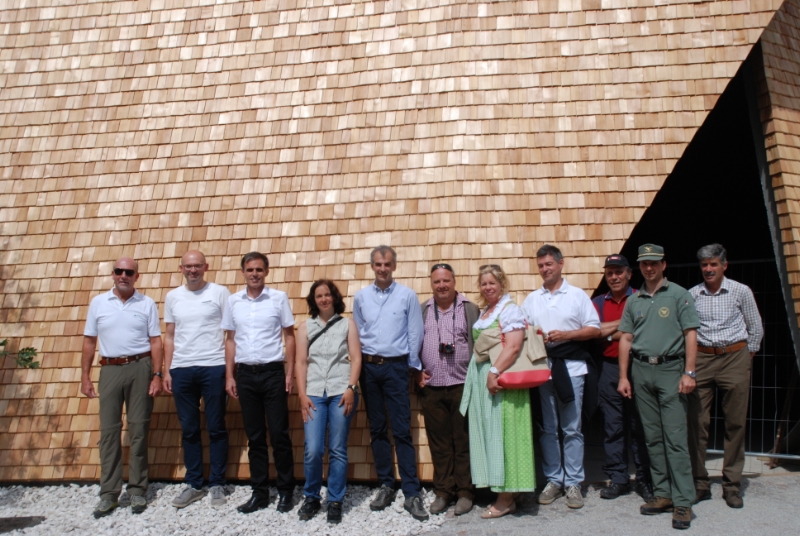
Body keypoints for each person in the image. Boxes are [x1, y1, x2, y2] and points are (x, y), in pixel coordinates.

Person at [617, 244, 700, 530]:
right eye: (644, 263)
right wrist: (624, 376)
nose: (649, 268)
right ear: (639, 267)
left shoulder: (678, 294)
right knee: (652, 437)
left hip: (670, 370)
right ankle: (663, 493)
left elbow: (690, 334)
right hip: (641, 370)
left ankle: (683, 500)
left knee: (675, 438)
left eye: (654, 263)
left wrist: (689, 372)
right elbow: (626, 339)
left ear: (663, 264)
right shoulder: (634, 300)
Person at [80, 257, 163, 518]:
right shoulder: (99, 303)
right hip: (110, 369)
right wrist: (85, 376)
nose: (123, 276)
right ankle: (109, 493)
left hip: (140, 367)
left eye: (129, 272)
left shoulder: (146, 303)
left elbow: (156, 341)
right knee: (109, 432)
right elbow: (89, 341)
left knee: (138, 430)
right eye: (119, 271)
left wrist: (157, 375)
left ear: (137, 276)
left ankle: (137, 490)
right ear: (113, 274)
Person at [521, 244, 601, 510]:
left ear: (560, 264)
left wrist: (566, 335)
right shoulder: (532, 299)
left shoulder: (577, 296)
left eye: (549, 264)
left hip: (572, 369)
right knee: (548, 428)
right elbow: (522, 329)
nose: (545, 269)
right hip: (543, 369)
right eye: (541, 266)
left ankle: (574, 482)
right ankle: (554, 479)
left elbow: (594, 329)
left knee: (572, 428)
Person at [353, 245, 428, 521]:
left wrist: (412, 368)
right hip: (369, 368)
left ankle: (411, 491)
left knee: (402, 430)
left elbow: (415, 332)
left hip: (396, 368)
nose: (382, 269)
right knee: (377, 428)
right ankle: (386, 484)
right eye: (378, 264)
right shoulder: (361, 297)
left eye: (387, 264)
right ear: (372, 266)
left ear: (394, 266)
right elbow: (357, 333)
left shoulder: (406, 295)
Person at [688, 244, 763, 509]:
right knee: (697, 423)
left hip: (734, 356)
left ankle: (732, 485)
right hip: (703, 357)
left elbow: (756, 327)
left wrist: (745, 356)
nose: (708, 269)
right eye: (704, 265)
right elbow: (688, 330)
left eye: (713, 264)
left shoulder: (741, 291)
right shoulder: (692, 294)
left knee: (735, 423)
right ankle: (699, 483)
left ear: (724, 266)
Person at [221, 252, 296, 514]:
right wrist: (229, 375)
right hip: (245, 375)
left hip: (273, 373)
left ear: (266, 272)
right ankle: (260, 493)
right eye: (250, 269)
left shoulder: (278, 298)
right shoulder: (233, 301)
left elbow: (289, 336)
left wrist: (289, 373)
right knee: (254, 437)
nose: (255, 274)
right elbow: (230, 340)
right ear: (243, 272)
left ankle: (286, 491)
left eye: (259, 269)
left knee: (279, 434)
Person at [459, 264, 536, 519]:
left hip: (503, 380)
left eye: (492, 282)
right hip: (487, 378)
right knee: (493, 435)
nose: (487, 287)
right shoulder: (487, 311)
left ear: (502, 284)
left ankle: (506, 498)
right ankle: (508, 492)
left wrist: (493, 373)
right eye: (484, 283)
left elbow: (513, 346)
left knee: (505, 435)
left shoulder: (509, 309)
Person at [163, 251, 230, 509]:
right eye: (188, 266)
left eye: (198, 266)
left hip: (213, 366)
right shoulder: (173, 297)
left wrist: (229, 371)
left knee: (216, 427)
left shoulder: (219, 292)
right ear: (181, 268)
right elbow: (170, 336)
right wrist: (167, 370)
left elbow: (230, 333)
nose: (193, 270)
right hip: (182, 369)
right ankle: (194, 483)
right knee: (189, 428)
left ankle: (217, 483)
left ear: (206, 267)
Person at [295, 280, 362, 524]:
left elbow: (356, 358)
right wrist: (302, 395)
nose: (323, 299)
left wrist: (351, 388)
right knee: (313, 448)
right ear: (313, 300)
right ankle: (312, 496)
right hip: (313, 392)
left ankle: (335, 500)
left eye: (327, 295)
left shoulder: (347, 324)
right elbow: (300, 362)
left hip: (340, 391)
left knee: (337, 448)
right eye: (319, 296)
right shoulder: (305, 327)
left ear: (334, 297)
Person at [415, 263, 480, 516]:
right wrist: (416, 370)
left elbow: (479, 345)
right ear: (431, 284)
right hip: (432, 387)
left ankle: (465, 492)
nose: (442, 285)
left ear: (454, 281)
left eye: (446, 281)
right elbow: (412, 343)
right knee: (439, 443)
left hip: (462, 385)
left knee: (463, 440)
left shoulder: (469, 309)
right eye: (437, 281)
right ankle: (443, 491)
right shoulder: (422, 310)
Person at [592, 254, 653, 501]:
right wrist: (625, 325)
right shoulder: (597, 303)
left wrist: (609, 332)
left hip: (639, 367)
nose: (614, 277)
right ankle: (618, 478)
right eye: (610, 273)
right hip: (608, 368)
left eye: (619, 272)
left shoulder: (641, 297)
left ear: (629, 274)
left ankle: (644, 479)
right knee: (613, 426)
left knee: (640, 426)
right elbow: (594, 332)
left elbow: (644, 332)